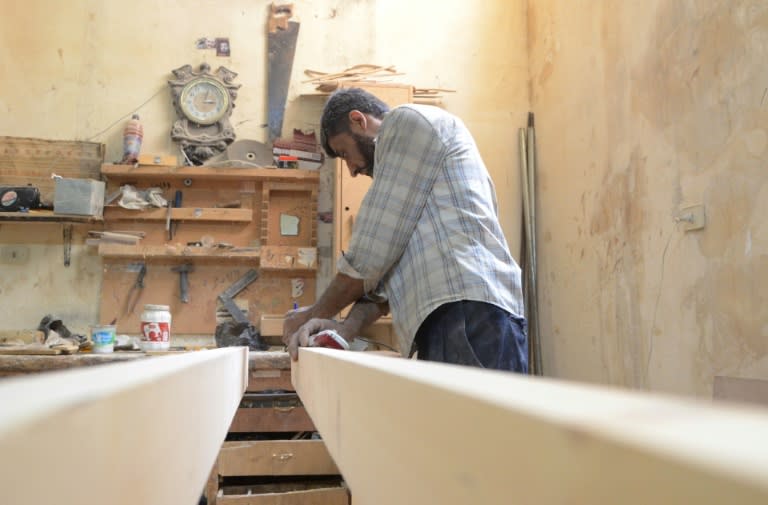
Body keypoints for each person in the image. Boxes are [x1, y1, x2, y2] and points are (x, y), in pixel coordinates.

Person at [283, 87, 527, 372]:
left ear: (358, 120)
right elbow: (384, 281)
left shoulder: (407, 121)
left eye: (345, 152)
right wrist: (344, 328)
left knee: (480, 418)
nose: (351, 169)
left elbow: (371, 251)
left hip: (468, 314)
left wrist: (314, 312)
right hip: (454, 316)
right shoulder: (418, 186)